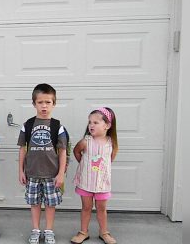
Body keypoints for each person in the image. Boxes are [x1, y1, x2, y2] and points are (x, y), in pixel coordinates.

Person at [18, 83, 67, 244]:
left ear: (54, 103)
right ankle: (36, 229)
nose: (44, 106)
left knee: (50, 204)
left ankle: (49, 230)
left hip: (51, 175)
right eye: (40, 102)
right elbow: (22, 149)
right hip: (32, 173)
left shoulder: (57, 127)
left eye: (48, 102)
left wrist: (61, 174)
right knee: (34, 203)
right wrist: (21, 171)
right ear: (34, 104)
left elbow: (63, 152)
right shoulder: (28, 125)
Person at [70, 107, 119, 244]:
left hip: (102, 184)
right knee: (86, 208)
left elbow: (110, 160)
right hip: (86, 182)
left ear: (107, 125)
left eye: (96, 122)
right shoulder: (86, 142)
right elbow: (76, 152)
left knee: (101, 209)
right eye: (90, 122)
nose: (91, 125)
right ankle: (83, 232)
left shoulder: (111, 144)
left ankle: (104, 232)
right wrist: (84, 165)